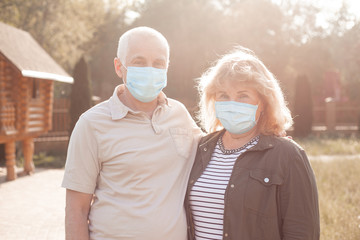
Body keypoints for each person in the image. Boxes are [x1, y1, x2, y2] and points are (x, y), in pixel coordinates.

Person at [62, 26, 202, 240]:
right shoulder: (91, 124)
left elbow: (216, 151)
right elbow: (76, 210)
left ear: (167, 68)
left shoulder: (179, 114)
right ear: (119, 66)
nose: (150, 69)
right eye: (139, 62)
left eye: (158, 63)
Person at [185, 47, 320, 240]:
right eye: (223, 95)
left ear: (263, 102)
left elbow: (302, 231)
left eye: (243, 95)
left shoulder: (288, 155)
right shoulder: (199, 149)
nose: (232, 103)